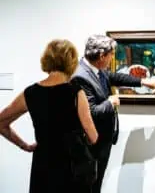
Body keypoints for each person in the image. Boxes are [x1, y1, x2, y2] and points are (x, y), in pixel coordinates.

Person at [0, 39, 98, 193]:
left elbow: (1, 122)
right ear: (71, 62)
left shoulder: (30, 93)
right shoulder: (76, 92)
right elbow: (93, 136)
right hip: (74, 167)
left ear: (47, 59)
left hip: (44, 165)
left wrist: (24, 145)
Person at [71, 34, 155, 193]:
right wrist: (110, 102)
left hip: (103, 139)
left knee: (96, 183)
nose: (112, 57)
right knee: (88, 185)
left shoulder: (96, 68)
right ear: (102, 55)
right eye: (111, 54)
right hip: (92, 142)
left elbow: (114, 77)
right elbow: (90, 113)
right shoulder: (80, 76)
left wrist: (142, 82)